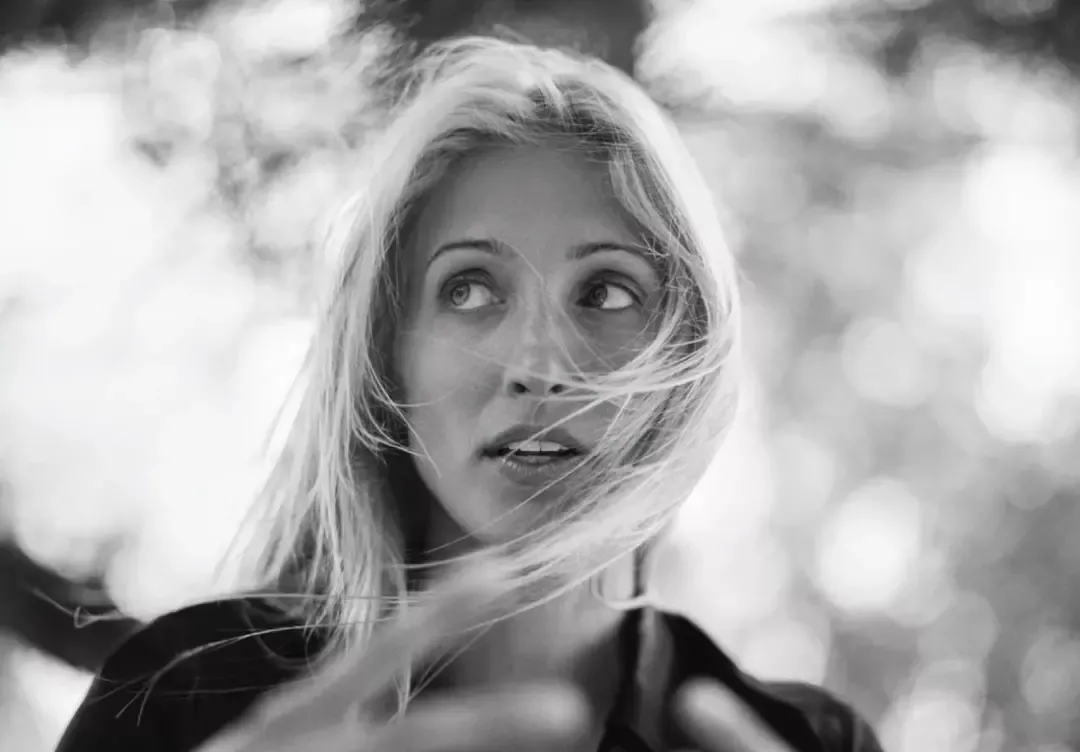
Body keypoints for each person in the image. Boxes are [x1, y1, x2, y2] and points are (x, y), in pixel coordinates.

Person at [56, 37, 883, 752]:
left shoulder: (809, 742)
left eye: (606, 292)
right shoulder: (184, 701)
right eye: (470, 289)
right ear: (387, 355)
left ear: (692, 352)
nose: (537, 366)